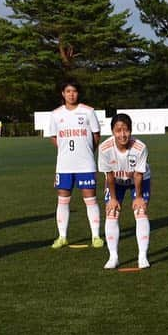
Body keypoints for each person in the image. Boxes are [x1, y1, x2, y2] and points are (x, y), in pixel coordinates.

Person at [47, 78, 102, 249]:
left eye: (74, 91)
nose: (71, 94)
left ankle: (96, 236)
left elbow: (96, 135)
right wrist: (65, 151)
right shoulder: (55, 114)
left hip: (85, 164)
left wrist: (87, 151)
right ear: (63, 94)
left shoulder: (88, 111)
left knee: (90, 199)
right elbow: (53, 137)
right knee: (63, 200)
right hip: (64, 166)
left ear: (78, 93)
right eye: (68, 91)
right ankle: (62, 236)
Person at [98, 113, 151, 270]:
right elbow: (109, 176)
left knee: (140, 211)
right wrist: (113, 199)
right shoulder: (104, 148)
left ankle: (142, 256)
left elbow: (138, 175)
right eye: (118, 130)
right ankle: (113, 256)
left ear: (131, 130)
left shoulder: (140, 147)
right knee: (112, 212)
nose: (122, 134)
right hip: (116, 182)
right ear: (113, 131)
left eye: (126, 130)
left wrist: (139, 197)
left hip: (138, 181)